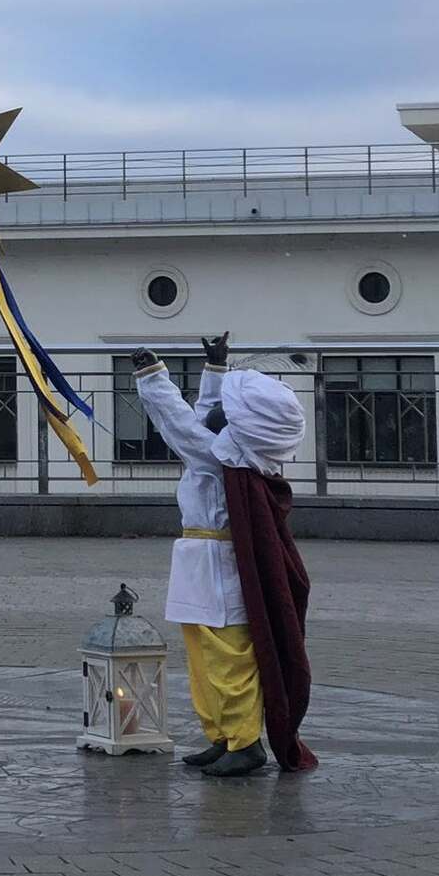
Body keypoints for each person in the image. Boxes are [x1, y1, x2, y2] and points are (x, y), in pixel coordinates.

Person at [132, 333, 318, 777]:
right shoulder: (230, 457)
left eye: (222, 414)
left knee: (227, 660)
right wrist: (215, 369)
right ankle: (221, 735)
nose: (213, 416)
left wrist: (152, 375)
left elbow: (181, 427)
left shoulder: (221, 461)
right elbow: (197, 426)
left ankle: (244, 741)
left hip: (216, 568)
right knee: (202, 657)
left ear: (237, 429)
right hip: (200, 562)